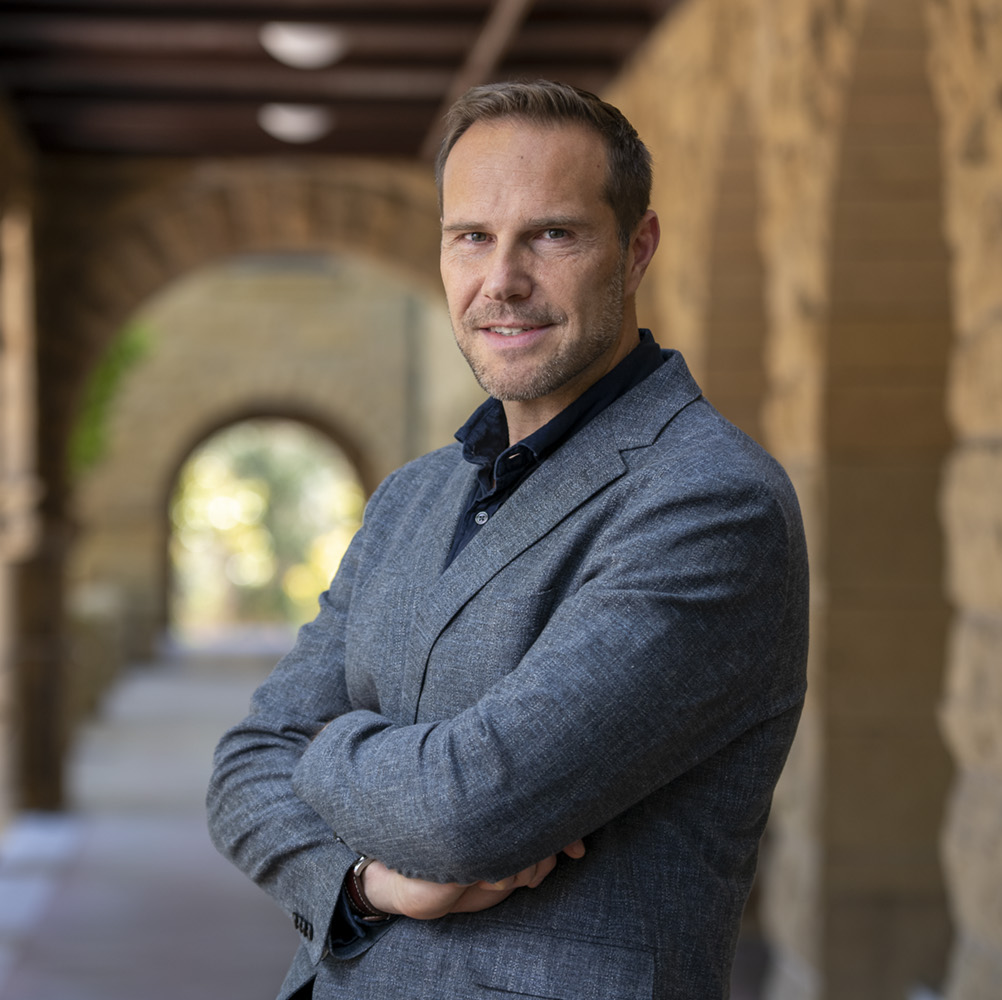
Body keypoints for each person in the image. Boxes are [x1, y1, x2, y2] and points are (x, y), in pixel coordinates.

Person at [207, 80, 808, 1000]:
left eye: (553, 235)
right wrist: (368, 885)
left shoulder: (711, 504)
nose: (503, 282)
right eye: (472, 238)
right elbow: (245, 764)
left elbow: (466, 810)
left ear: (636, 249)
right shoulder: (414, 495)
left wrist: (321, 748)